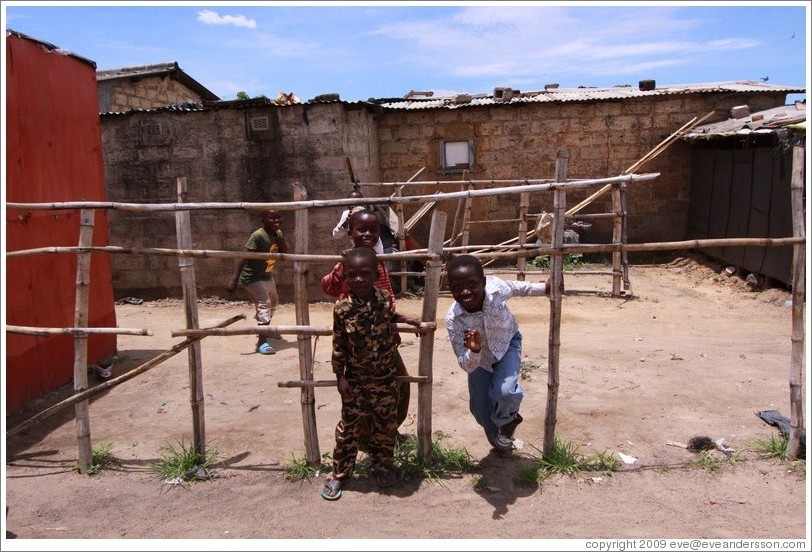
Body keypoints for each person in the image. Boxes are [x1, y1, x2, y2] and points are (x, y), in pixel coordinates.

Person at [321, 247, 422, 501]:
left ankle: (382, 466)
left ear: (375, 274)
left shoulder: (384, 298)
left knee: (384, 426)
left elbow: (389, 316)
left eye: (364, 274)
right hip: (355, 381)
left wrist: (408, 320)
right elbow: (339, 344)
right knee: (349, 430)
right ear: (345, 276)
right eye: (352, 275)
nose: (358, 280)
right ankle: (340, 474)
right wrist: (340, 377)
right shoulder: (342, 309)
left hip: (385, 380)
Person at [444, 254, 552, 456]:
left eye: (472, 284)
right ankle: (499, 439)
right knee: (480, 410)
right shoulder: (454, 319)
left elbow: (516, 287)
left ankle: (507, 424)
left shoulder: (495, 289)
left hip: (507, 345)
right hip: (480, 361)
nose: (465, 292)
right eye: (456, 287)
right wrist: (474, 351)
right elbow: (465, 364)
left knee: (504, 393)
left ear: (483, 282)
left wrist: (544, 289)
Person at [322, 208, 412, 441]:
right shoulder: (347, 260)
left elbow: (387, 295)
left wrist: (393, 324)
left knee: (398, 384)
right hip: (356, 340)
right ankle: (365, 440)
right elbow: (329, 288)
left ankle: (389, 430)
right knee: (358, 392)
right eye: (361, 229)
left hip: (382, 337)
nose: (367, 234)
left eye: (373, 230)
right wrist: (343, 268)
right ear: (350, 232)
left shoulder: (379, 261)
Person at [226, 209, 287, 355]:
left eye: (279, 218)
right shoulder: (258, 235)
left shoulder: (278, 234)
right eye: (272, 219)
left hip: (265, 275)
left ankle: (265, 330)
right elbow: (243, 257)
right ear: (263, 220)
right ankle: (262, 343)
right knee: (264, 303)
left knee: (273, 302)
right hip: (252, 277)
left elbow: (284, 250)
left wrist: (280, 240)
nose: (276, 221)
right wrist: (234, 280)